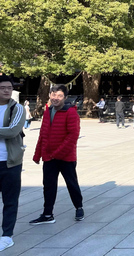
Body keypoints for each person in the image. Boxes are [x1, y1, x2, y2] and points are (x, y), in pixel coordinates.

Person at [30, 84, 84, 225]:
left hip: (66, 157)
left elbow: (73, 136)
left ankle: (79, 207)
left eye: (59, 96)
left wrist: (57, 153)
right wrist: (37, 154)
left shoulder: (71, 112)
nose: (56, 98)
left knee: (71, 183)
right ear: (50, 95)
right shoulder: (48, 111)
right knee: (48, 185)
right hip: (49, 157)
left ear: (65, 98)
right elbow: (43, 134)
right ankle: (48, 214)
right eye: (53, 95)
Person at [0, 76, 26, 251]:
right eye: (3, 88)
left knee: (10, 200)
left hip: (10, 162)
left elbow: (12, 131)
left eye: (9, 87)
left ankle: (6, 235)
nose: (7, 90)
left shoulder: (17, 108)